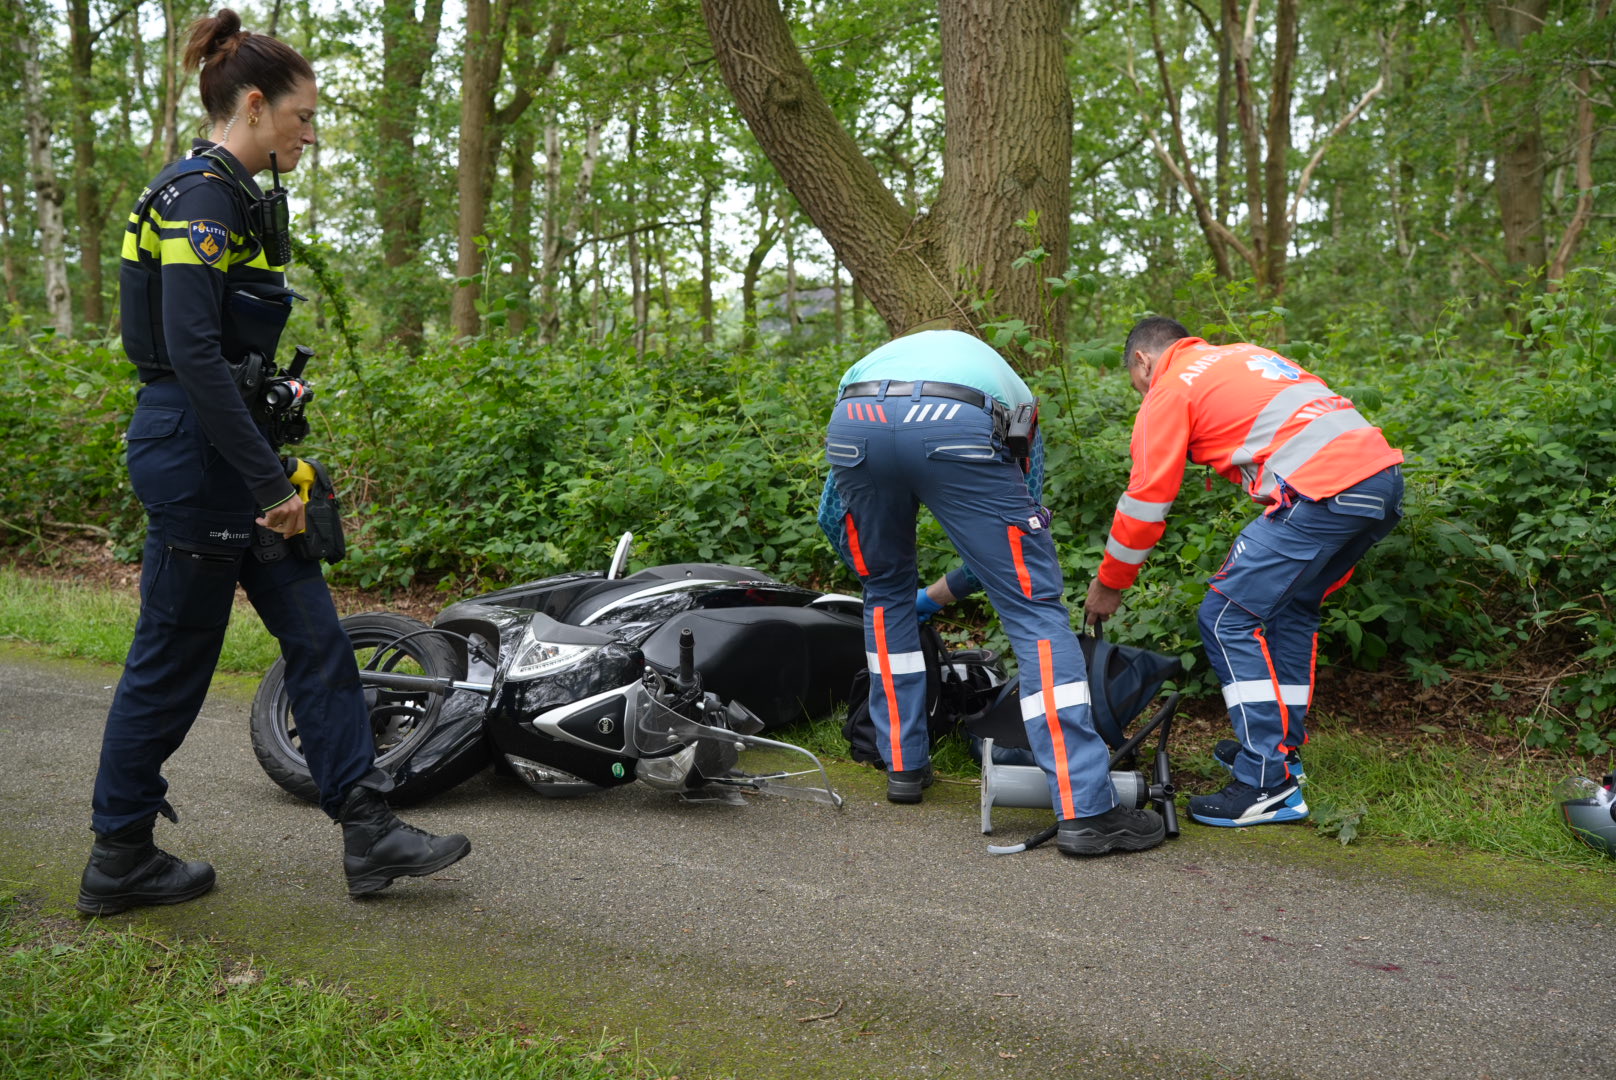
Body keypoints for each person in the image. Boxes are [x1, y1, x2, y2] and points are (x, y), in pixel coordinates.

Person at [78, 9, 470, 915]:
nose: (309, 135)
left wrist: (271, 432)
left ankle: (368, 830)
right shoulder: (200, 196)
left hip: (233, 448)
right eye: (302, 118)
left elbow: (224, 353)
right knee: (172, 662)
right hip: (199, 455)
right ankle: (121, 854)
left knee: (317, 640)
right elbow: (190, 353)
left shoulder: (233, 197)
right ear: (254, 105)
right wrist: (267, 483)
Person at [823, 326, 1164, 856]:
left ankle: (902, 765)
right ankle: (1087, 809)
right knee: (1034, 611)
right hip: (955, 420)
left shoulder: (870, 368)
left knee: (883, 595)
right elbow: (1010, 556)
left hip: (854, 422)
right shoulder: (1017, 400)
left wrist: (897, 587)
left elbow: (832, 515)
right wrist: (957, 589)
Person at [1085, 316, 1404, 828]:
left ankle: (1265, 784)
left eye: (1136, 383)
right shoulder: (1244, 355)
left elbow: (1147, 500)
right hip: (1380, 482)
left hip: (1322, 490)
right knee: (1291, 612)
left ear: (1144, 361)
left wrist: (1111, 583)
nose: (1142, 394)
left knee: (1225, 616)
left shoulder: (1170, 386)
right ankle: (1282, 756)